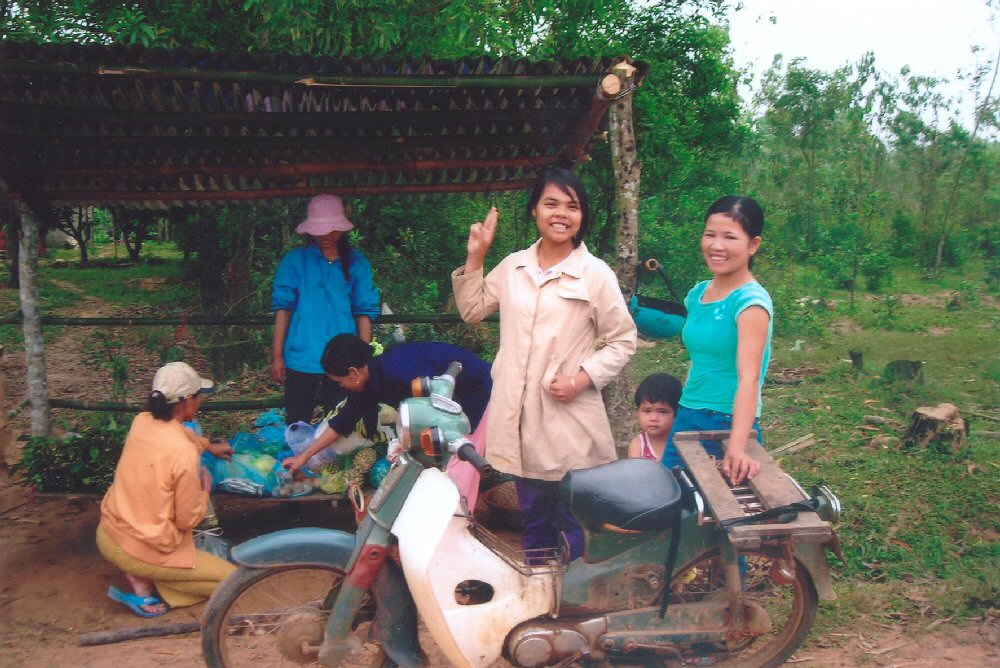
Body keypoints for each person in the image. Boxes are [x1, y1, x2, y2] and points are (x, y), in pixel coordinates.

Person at [452, 167, 637, 561]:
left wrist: (582, 379)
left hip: (566, 417)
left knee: (575, 517)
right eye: (551, 203)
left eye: (572, 206)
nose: (561, 214)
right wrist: (476, 256)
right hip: (518, 417)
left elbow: (623, 340)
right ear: (534, 209)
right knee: (533, 517)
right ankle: (541, 598)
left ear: (582, 216)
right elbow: (471, 310)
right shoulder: (514, 266)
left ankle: (578, 601)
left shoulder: (595, 274)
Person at [96, 362, 236, 617]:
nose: (200, 402)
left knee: (216, 578)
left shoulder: (142, 421)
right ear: (187, 402)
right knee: (231, 582)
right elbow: (187, 519)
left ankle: (143, 578)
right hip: (140, 549)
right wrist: (204, 492)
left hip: (108, 532)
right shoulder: (183, 454)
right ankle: (146, 578)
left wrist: (208, 446)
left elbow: (180, 435)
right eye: (198, 397)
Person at [663, 195, 772, 485]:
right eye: (710, 235)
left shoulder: (751, 304)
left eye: (729, 237)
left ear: (753, 245)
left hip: (726, 423)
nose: (716, 245)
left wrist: (736, 447)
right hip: (688, 414)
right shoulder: (697, 294)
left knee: (717, 518)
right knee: (675, 508)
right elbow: (700, 359)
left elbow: (750, 379)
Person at [282, 333, 493, 477]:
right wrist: (304, 456)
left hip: (476, 390)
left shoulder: (398, 372)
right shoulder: (369, 381)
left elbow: (436, 414)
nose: (341, 386)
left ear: (353, 373)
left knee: (462, 458)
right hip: (454, 400)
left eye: (340, 381)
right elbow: (343, 421)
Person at [272, 194, 382, 425]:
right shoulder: (295, 262)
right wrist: (278, 355)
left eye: (333, 230)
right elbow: (284, 309)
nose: (326, 236)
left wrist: (363, 361)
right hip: (301, 355)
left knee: (342, 419)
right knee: (297, 420)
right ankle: (299, 461)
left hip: (345, 359)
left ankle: (335, 461)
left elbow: (364, 313)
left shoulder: (357, 263)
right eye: (320, 230)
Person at [627, 372, 682, 463]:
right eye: (647, 411)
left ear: (676, 413)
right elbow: (635, 474)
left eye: (662, 412)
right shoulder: (639, 445)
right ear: (638, 412)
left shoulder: (682, 442)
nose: (653, 418)